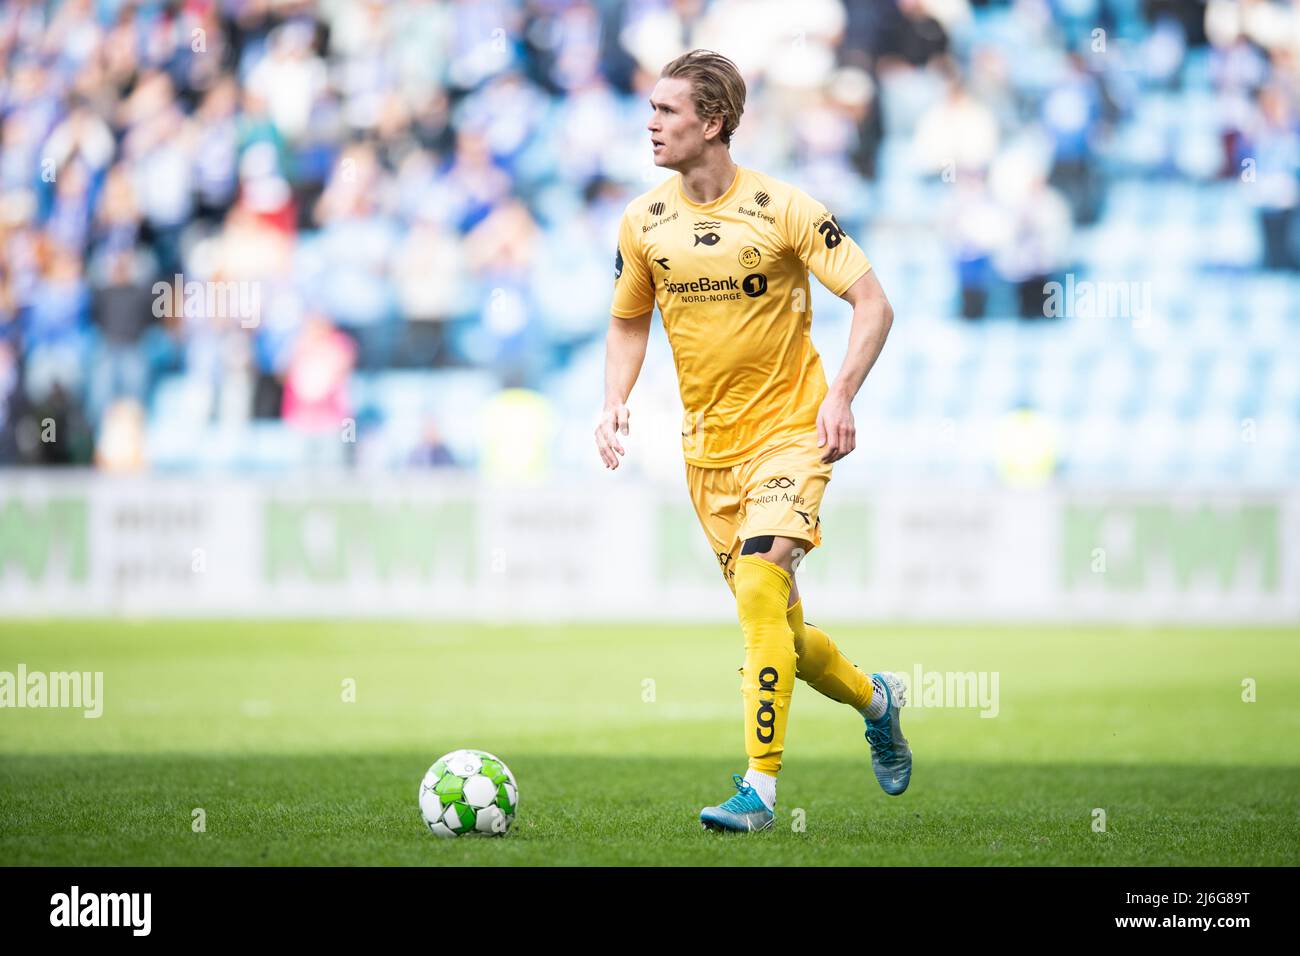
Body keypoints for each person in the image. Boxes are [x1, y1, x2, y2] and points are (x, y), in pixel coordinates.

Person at [595, 50, 909, 833]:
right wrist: (613, 401)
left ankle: (759, 791)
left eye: (667, 111)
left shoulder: (784, 207)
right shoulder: (644, 222)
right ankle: (878, 700)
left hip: (793, 436)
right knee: (788, 637)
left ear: (713, 122)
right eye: (650, 109)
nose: (650, 122)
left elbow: (873, 304)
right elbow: (629, 319)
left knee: (762, 594)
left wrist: (839, 394)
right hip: (707, 454)